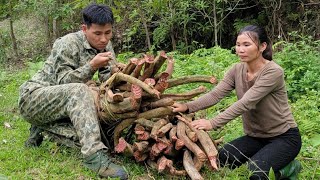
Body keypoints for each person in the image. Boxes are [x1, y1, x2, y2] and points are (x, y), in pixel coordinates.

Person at [172, 25, 302, 180]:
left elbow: (246, 102)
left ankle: (290, 168)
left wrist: (212, 123)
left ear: (262, 46)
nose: (240, 49)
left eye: (246, 45)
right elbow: (215, 94)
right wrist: (187, 106)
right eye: (238, 44)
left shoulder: (273, 72)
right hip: (256, 137)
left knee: (255, 173)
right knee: (223, 159)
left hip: (284, 137)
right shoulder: (237, 70)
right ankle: (267, 157)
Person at [18, 3, 128, 179]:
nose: (103, 39)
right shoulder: (67, 43)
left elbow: (106, 82)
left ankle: (43, 128)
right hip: (33, 97)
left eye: (108, 33)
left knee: (96, 133)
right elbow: (63, 82)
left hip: (61, 105)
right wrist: (91, 66)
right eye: (97, 33)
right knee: (79, 90)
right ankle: (94, 158)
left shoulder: (106, 45)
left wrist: (118, 73)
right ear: (84, 29)